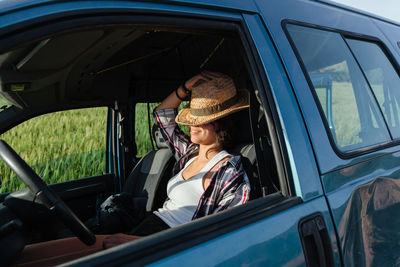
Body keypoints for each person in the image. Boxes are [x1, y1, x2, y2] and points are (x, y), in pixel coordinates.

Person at [15, 71, 251, 265]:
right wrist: (184, 88)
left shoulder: (230, 171)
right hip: (148, 227)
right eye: (191, 120)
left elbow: (222, 237)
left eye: (200, 122)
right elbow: (162, 115)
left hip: (169, 245)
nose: (191, 126)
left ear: (222, 123)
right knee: (28, 256)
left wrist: (139, 244)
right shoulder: (188, 152)